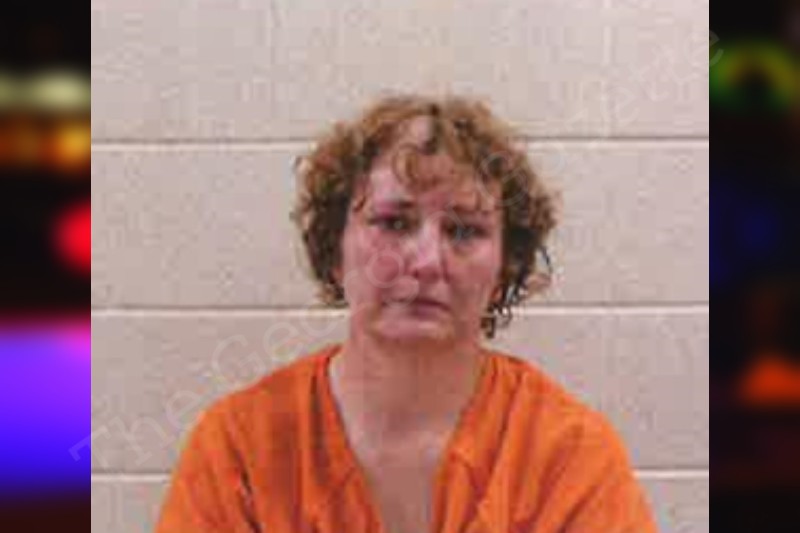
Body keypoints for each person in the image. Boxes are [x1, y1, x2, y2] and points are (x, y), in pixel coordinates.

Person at [155, 95, 658, 533]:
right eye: (394, 223)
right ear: (334, 249)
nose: (425, 261)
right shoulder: (240, 447)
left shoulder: (569, 455)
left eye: (463, 230)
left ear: (505, 266)